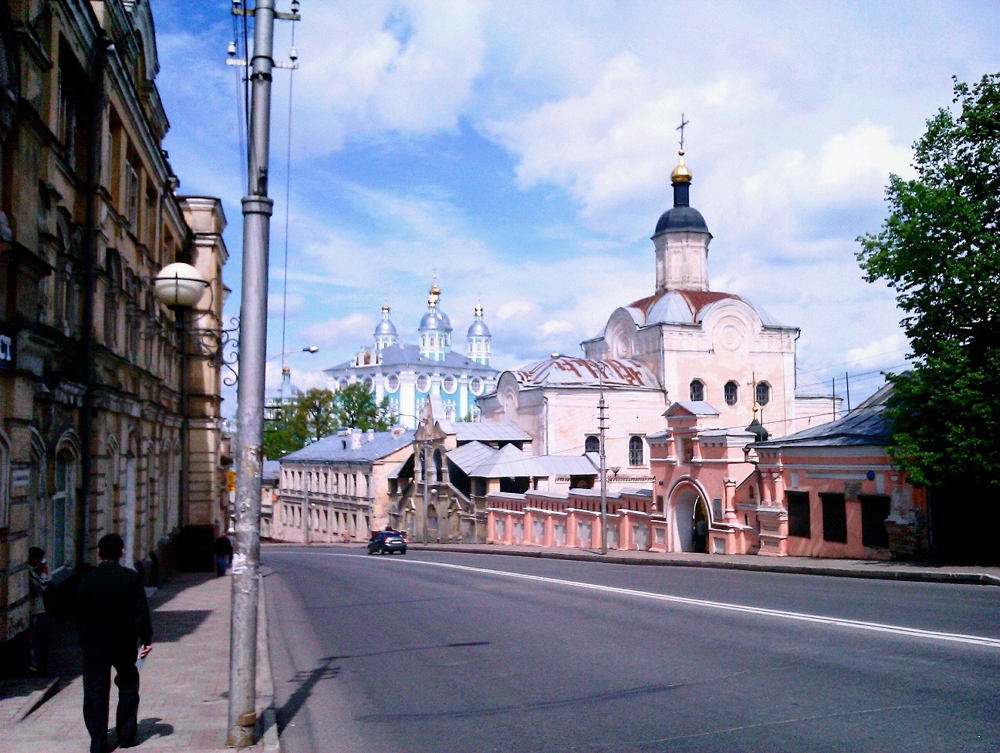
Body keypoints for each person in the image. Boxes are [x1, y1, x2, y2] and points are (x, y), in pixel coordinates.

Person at [75, 534, 152, 753]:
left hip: (94, 645)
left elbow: (78, 611)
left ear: (98, 553)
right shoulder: (130, 577)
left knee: (95, 691)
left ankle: (97, 741)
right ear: (122, 552)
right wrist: (146, 639)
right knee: (128, 685)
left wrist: (83, 637)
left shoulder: (88, 578)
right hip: (124, 643)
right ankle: (126, 735)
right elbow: (141, 612)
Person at [27, 547, 51, 673]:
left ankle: (35, 664)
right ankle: (33, 665)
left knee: (37, 639)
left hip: (37, 609)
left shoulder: (32, 571)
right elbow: (41, 586)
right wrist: (43, 573)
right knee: (33, 639)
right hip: (34, 610)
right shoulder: (29, 572)